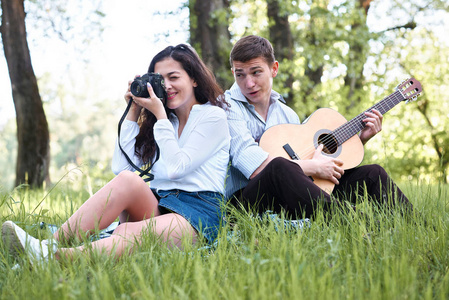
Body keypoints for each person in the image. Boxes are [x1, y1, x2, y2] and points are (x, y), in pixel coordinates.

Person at [2, 44, 230, 265]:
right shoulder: (163, 121)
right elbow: (121, 169)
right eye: (160, 80)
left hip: (199, 212)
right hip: (160, 202)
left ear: (194, 79)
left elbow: (176, 168)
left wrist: (160, 116)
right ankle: (48, 246)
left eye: (174, 77)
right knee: (127, 181)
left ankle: (48, 259)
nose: (167, 86)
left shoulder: (212, 117)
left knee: (127, 231)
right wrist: (134, 111)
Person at [225, 35, 412, 219]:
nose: (248, 83)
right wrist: (313, 166)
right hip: (245, 203)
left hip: (289, 195)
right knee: (278, 166)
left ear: (274, 69)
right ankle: (362, 224)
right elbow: (257, 168)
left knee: (373, 174)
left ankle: (418, 227)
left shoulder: (286, 114)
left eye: (256, 72)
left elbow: (310, 158)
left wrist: (361, 138)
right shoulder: (226, 106)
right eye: (240, 74)